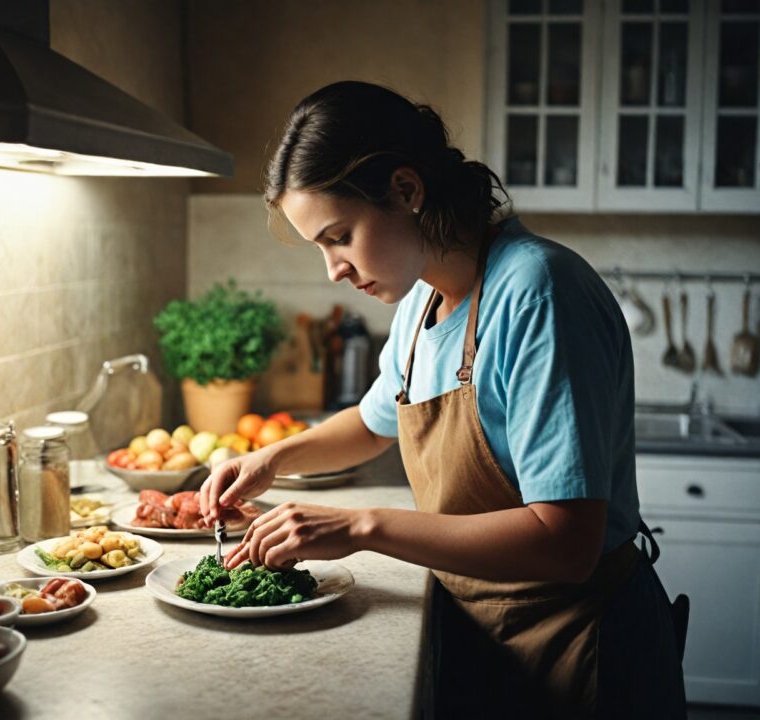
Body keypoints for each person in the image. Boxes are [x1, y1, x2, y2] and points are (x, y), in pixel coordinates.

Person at [199, 81, 686, 718]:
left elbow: (566, 541)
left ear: (406, 190)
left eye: (339, 236)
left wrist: (360, 526)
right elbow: (373, 425)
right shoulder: (422, 302)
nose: (334, 271)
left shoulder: (538, 295)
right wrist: (270, 459)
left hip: (581, 649)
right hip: (488, 637)